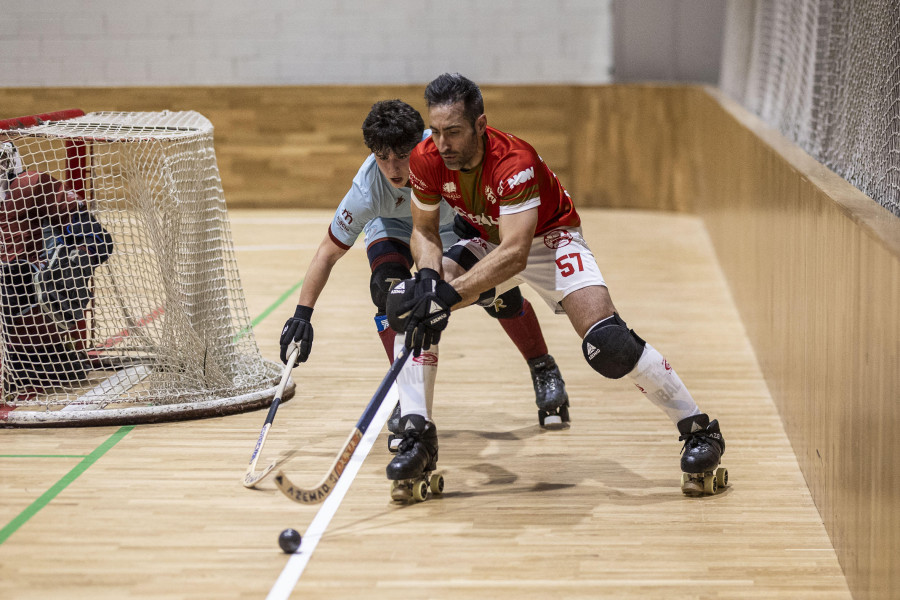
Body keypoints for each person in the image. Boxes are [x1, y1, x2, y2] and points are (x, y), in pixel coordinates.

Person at [385, 73, 726, 495]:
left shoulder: (515, 163)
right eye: (435, 132)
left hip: (548, 239)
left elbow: (516, 254)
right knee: (410, 307)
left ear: (480, 125)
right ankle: (418, 436)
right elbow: (426, 232)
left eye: (453, 132)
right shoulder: (427, 156)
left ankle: (699, 430)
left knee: (609, 344)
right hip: (485, 238)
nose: (442, 143)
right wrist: (429, 281)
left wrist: (450, 294)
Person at [278, 100, 570, 450]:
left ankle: (542, 366)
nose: (393, 168)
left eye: (401, 155)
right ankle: (407, 392)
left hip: (445, 225)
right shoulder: (368, 187)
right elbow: (328, 250)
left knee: (500, 295)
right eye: (382, 157)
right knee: (389, 293)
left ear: (422, 143)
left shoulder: (449, 158)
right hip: (393, 227)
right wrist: (302, 315)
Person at [0, 146, 114, 394]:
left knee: (12, 275)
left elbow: (99, 240)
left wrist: (77, 260)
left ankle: (31, 355)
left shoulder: (31, 186)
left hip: (28, 294)